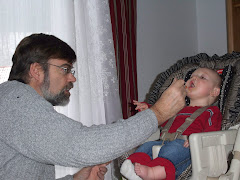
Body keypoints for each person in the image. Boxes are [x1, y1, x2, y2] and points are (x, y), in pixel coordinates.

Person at [0, 33, 187, 180]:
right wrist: (158, 113)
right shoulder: (15, 101)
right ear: (36, 70)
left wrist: (75, 179)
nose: (72, 77)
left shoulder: (16, 102)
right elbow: (80, 144)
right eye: (65, 69)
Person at [120, 67, 223, 180]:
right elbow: (164, 120)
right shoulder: (178, 108)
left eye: (202, 77)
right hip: (164, 141)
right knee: (147, 146)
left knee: (172, 150)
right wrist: (150, 109)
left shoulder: (211, 111)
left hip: (188, 147)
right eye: (191, 76)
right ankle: (132, 167)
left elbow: (213, 132)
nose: (193, 78)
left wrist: (196, 139)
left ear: (214, 91)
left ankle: (154, 172)